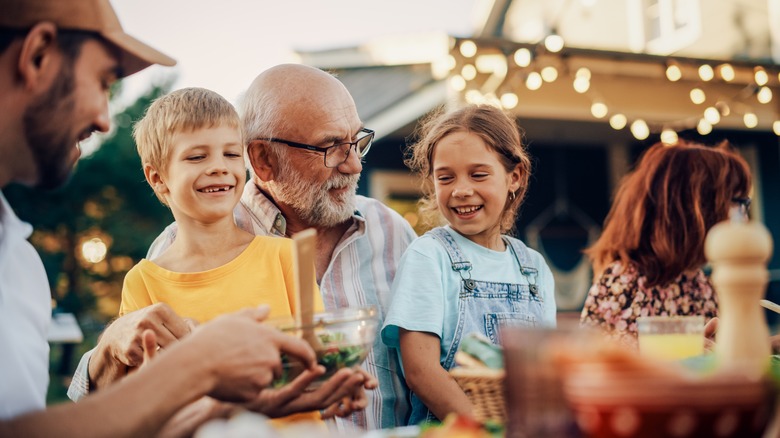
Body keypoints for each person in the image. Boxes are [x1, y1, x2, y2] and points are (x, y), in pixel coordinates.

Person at [0, 0, 323, 436]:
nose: (103, 119)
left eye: (231, 153)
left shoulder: (18, 260)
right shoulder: (143, 280)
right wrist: (203, 370)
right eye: (102, 82)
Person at [71, 63, 418, 431]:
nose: (352, 164)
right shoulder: (156, 266)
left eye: (356, 142)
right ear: (263, 160)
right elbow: (133, 399)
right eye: (330, 147)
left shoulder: (391, 233)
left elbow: (334, 365)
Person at [122, 86, 374, 426]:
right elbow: (145, 400)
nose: (218, 168)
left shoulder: (287, 255)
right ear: (158, 179)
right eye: (197, 157)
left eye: (230, 154)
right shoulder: (143, 283)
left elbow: (314, 361)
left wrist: (339, 382)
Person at [381, 104, 557, 424]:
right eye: (445, 177)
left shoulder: (534, 268)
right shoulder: (429, 257)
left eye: (478, 174)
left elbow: (543, 370)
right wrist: (485, 429)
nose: (461, 190)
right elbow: (421, 371)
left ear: (515, 176)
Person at [579, 140, 752, 348]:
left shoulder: (700, 284)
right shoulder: (625, 282)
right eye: (739, 203)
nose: (745, 219)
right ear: (697, 209)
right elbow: (591, 361)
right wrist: (681, 348)